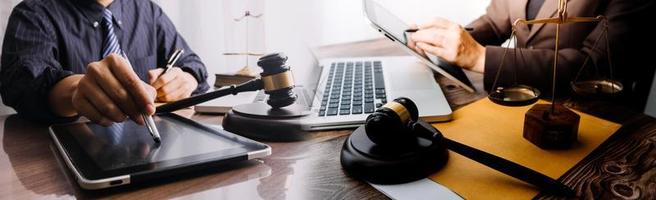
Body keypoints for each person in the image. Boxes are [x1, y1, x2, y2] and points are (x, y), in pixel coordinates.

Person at [408, 0, 655, 110]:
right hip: (525, 103)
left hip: (591, 119)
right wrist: (442, 39)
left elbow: (592, 67)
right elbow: (495, 22)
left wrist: (479, 58)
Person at [0, 0, 209, 125]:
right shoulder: (33, 13)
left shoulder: (149, 11)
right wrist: (77, 91)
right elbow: (20, 84)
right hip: (61, 165)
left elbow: (191, 62)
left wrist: (186, 79)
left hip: (151, 150)